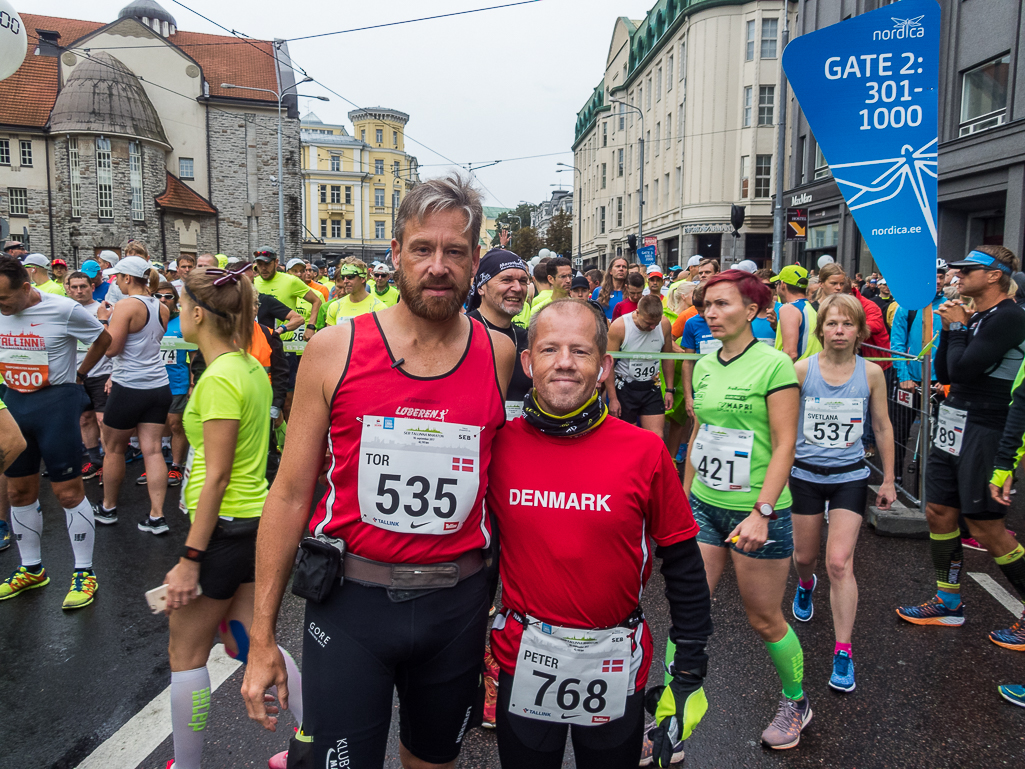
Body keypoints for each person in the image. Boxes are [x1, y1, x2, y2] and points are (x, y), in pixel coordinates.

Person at [241, 174, 516, 768]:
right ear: (394, 255)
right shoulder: (334, 348)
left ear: (474, 265)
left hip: (458, 604)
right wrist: (261, 636)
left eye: (455, 252)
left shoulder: (498, 352)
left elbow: (504, 484)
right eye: (422, 248)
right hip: (352, 606)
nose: (438, 266)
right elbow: (289, 495)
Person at [486, 299, 712, 769]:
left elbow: (683, 561)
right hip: (524, 656)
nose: (564, 362)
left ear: (605, 366)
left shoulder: (645, 450)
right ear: (528, 363)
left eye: (580, 351)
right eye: (549, 350)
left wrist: (689, 668)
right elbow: (479, 558)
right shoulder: (498, 444)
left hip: (613, 659)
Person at [161, 265, 303, 769]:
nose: (177, 314)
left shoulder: (221, 377)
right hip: (250, 526)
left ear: (198, 314)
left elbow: (216, 476)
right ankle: (316, 736)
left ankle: (188, 763)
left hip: (220, 531)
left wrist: (189, 557)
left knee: (186, 655)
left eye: (179, 306)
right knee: (244, 638)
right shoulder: (248, 366)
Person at [682, 269, 809, 749]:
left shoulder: (775, 365)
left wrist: (763, 510)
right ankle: (676, 708)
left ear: (752, 311)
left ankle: (796, 700)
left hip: (756, 511)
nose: (710, 313)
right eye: (707, 305)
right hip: (705, 508)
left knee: (763, 618)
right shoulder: (706, 363)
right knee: (689, 607)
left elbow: (784, 446)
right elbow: (702, 432)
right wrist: (683, 494)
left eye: (722, 305)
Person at [898, 246, 1025, 638]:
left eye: (967, 270)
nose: (956, 275)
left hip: (988, 426)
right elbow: (943, 369)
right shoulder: (974, 314)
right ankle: (948, 601)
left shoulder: (1010, 317)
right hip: (954, 421)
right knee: (938, 510)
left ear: (994, 276)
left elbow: (964, 369)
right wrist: (954, 329)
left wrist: (957, 329)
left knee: (986, 527)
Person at [789, 294, 897, 693]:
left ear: (859, 331)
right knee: (805, 557)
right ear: (820, 330)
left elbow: (883, 427)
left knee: (839, 563)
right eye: (832, 324)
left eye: (847, 325)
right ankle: (804, 585)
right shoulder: (801, 371)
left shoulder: (870, 373)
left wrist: (887, 479)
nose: (839, 331)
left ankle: (843, 650)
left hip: (850, 476)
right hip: (805, 476)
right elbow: (784, 428)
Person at [0, 256, 111, 609]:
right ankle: (31, 568)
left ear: (26, 286)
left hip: (56, 403)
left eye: (4, 299)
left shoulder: (63, 309)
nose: (0, 306)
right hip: (14, 401)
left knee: (66, 492)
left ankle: (84, 572)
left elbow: (103, 338)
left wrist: (80, 374)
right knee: (18, 491)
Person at [93, 257, 173, 534]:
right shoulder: (161, 306)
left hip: (130, 386)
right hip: (157, 385)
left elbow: (111, 349)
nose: (114, 281)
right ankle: (157, 516)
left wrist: (104, 321)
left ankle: (108, 508)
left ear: (128, 278)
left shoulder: (127, 305)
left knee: (114, 449)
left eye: (117, 277)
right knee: (152, 450)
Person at [252, 246, 322, 421]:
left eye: (267, 264)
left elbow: (316, 300)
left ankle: (290, 443)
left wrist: (310, 326)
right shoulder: (253, 283)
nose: (263, 268)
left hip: (284, 347)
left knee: (287, 402)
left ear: (276, 262)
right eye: (260, 265)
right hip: (257, 349)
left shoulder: (290, 281)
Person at [466, 248, 533, 416]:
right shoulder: (461, 332)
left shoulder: (526, 338)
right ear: (481, 287)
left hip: (517, 434)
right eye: (507, 280)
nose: (518, 288)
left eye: (523, 281)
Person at [67, 272, 113, 481]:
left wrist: (114, 373)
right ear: (68, 288)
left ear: (92, 287)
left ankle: (109, 461)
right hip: (74, 373)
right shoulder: (65, 310)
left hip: (101, 372)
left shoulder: (103, 310)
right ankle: (95, 460)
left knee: (103, 420)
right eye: (74, 287)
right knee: (85, 419)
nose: (79, 291)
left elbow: (114, 343)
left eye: (83, 286)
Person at [607, 295, 675, 437]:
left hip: (651, 386)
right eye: (648, 323)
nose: (652, 327)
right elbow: (608, 364)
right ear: (638, 312)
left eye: (655, 323)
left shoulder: (663, 324)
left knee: (656, 437)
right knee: (629, 438)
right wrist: (612, 398)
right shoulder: (620, 326)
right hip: (625, 388)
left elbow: (668, 358)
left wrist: (669, 389)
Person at [146, 282, 189, 488]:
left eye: (168, 296)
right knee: (155, 426)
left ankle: (176, 465)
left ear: (176, 300)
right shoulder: (147, 320)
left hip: (177, 382)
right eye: (158, 296)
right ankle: (158, 466)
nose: (163, 300)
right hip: (153, 382)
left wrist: (193, 383)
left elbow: (195, 355)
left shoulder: (183, 323)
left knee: (175, 425)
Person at [772, 265, 821, 362]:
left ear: (783, 285)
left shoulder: (789, 308)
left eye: (776, 283)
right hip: (809, 370)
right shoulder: (809, 307)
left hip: (795, 373)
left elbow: (790, 354)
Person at [323, 259, 385, 326]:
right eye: (343, 277)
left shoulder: (379, 308)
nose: (345, 281)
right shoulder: (335, 306)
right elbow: (331, 335)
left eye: (350, 277)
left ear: (363, 279)